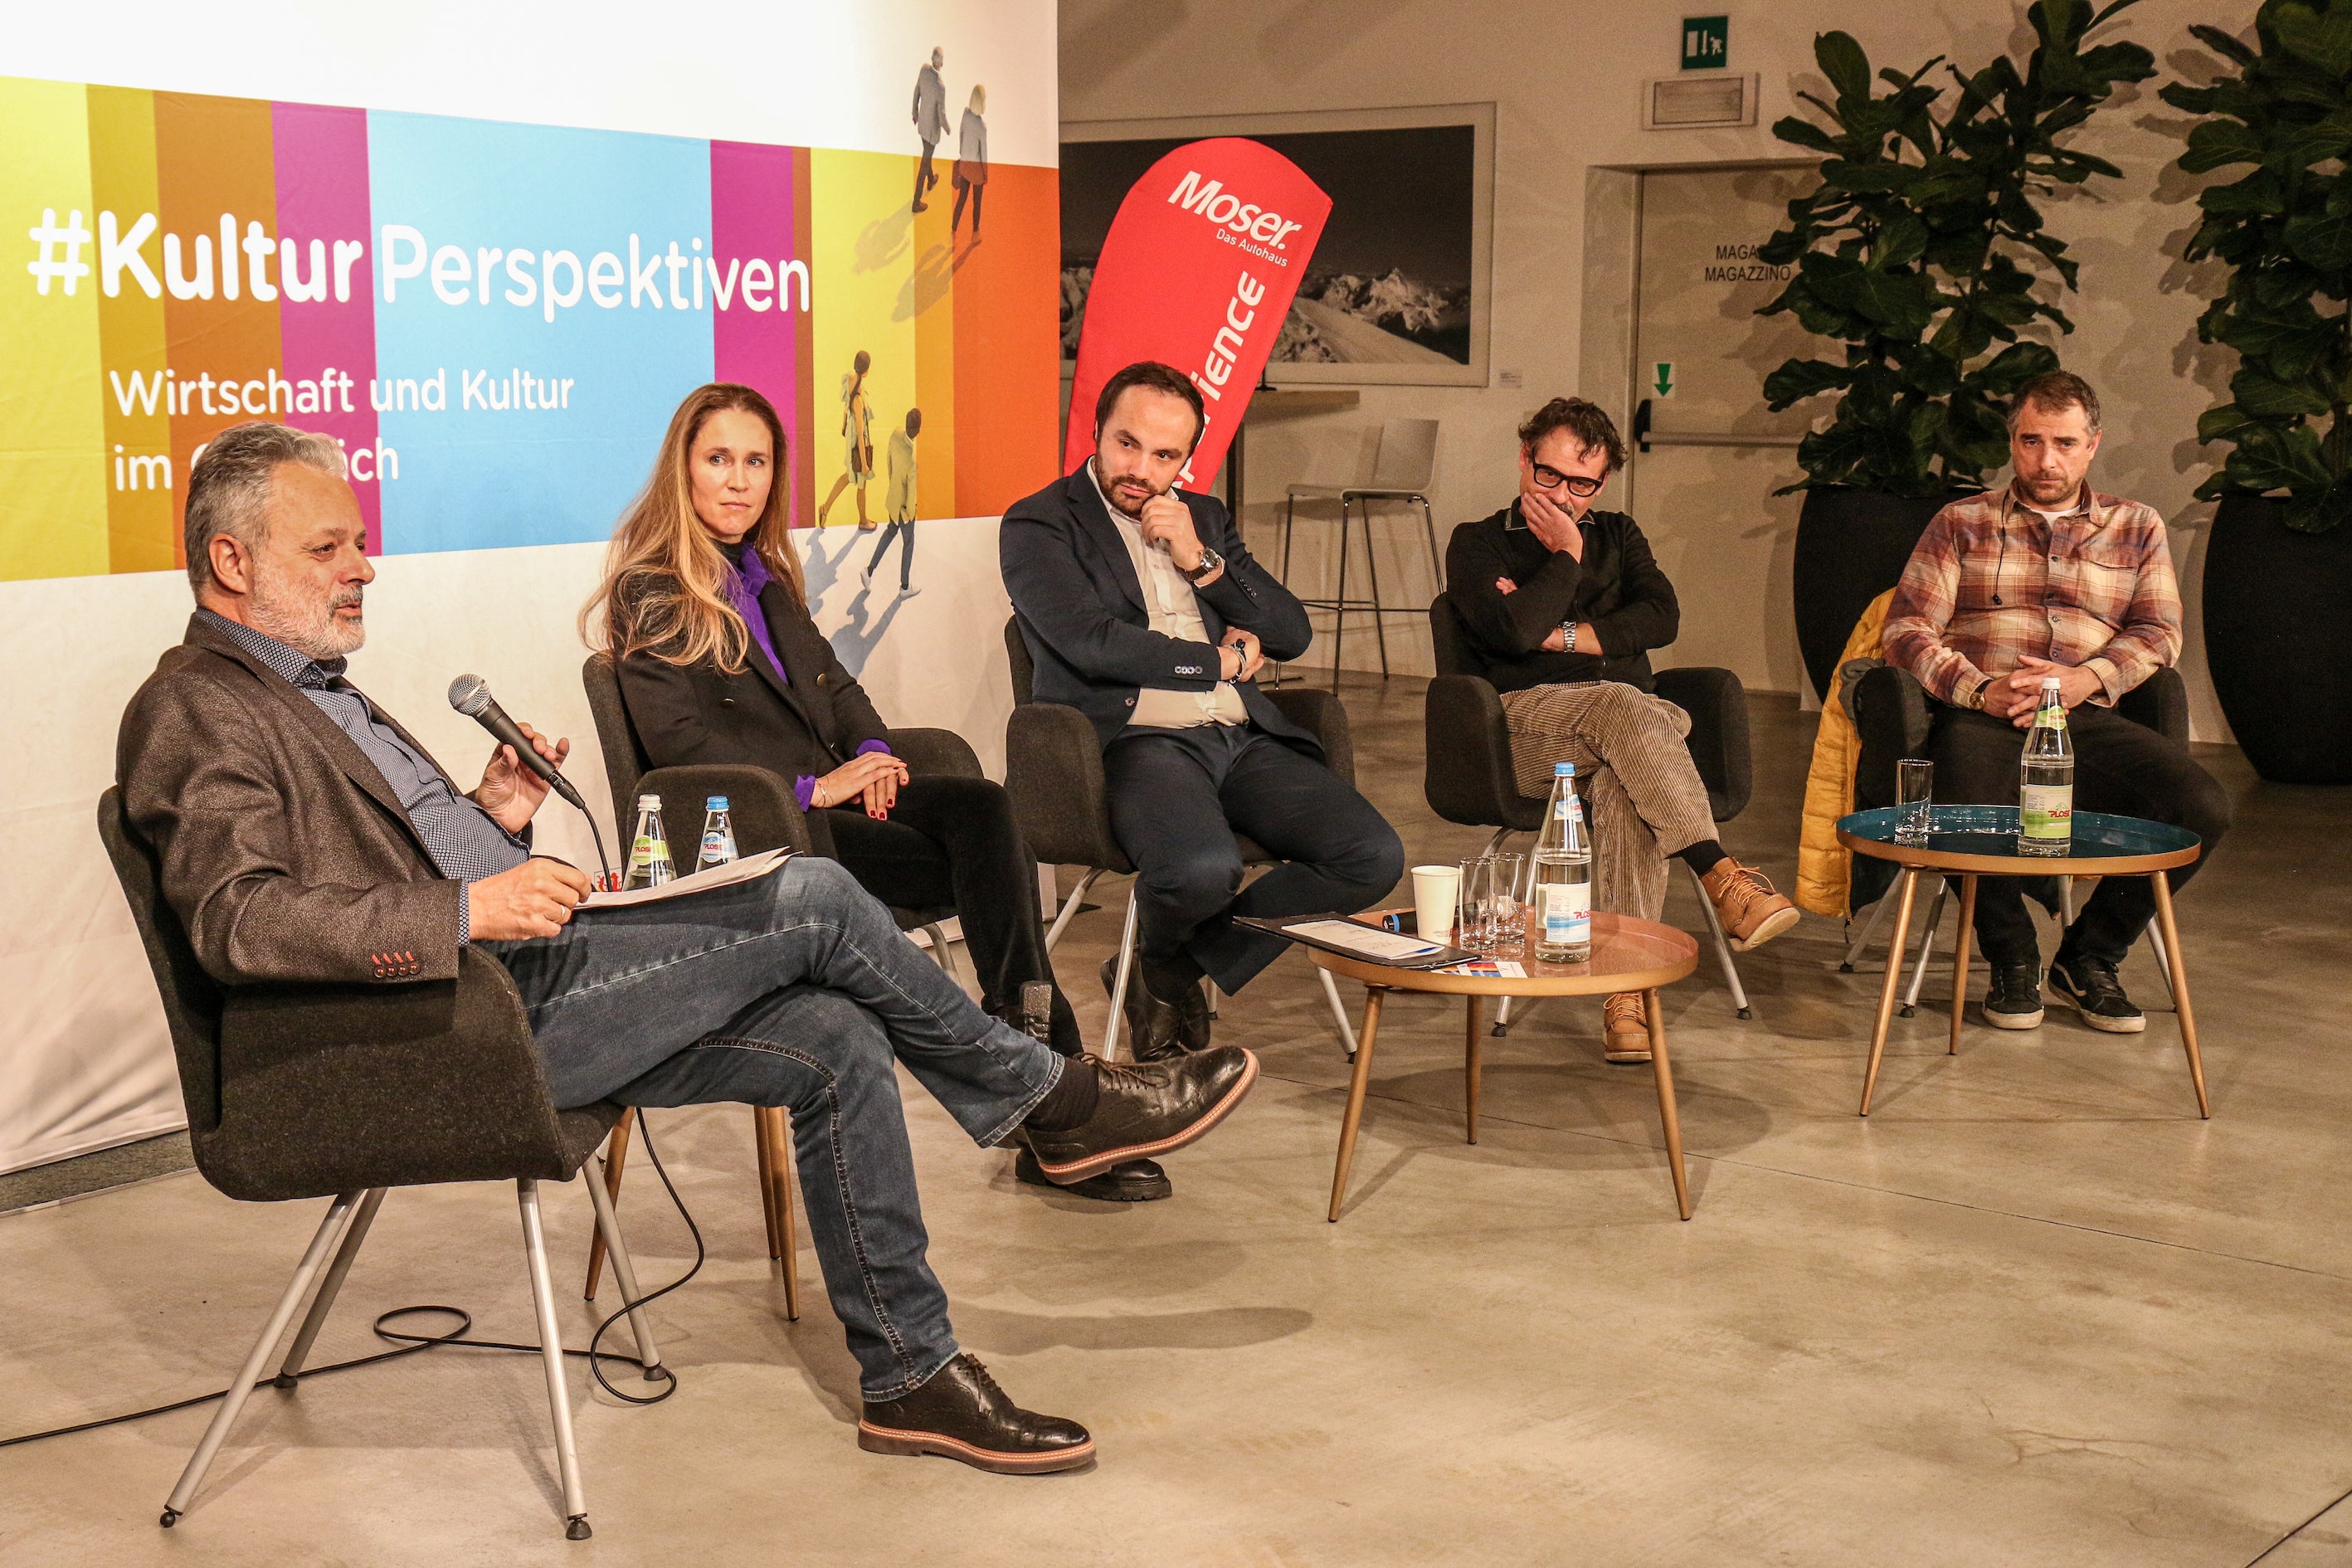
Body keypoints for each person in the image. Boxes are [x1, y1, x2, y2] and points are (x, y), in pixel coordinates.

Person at [119, 421, 1259, 1471]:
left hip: (509, 984)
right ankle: (1052, 1102)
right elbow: (240, 921)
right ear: (231, 563)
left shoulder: (314, 688)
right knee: (810, 894)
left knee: (835, 1033)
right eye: (328, 548)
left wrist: (492, 815)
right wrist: (468, 908)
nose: (363, 567)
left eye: (359, 543)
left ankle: (910, 1375)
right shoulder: (196, 706)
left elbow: (371, 862)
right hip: (445, 1032)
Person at [595, 385, 1169, 1202]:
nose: (739, 481)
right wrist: (815, 785)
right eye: (719, 459)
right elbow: (679, 748)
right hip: (765, 834)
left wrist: (872, 753)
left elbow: (835, 685)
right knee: (990, 874)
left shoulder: (764, 577)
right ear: (682, 470)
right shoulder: (653, 590)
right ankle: (1060, 1100)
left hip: (829, 812)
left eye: (756, 462)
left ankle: (1037, 1057)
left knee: (984, 809)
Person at [1001, 361, 1405, 1057]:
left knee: (1370, 856)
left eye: (1164, 456)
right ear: (1095, 431)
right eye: (1127, 444)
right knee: (1199, 870)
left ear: (1185, 458)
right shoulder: (1040, 522)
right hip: (1137, 740)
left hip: (1240, 737)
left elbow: (1290, 633)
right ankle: (1167, 972)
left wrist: (1199, 559)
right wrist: (1214, 662)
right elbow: (1091, 643)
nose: (1141, 470)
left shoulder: (1204, 518)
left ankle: (1163, 971)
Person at [1444, 397, 1799, 1064]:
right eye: (1548, 475)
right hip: (1524, 728)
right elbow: (1512, 632)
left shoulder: (1621, 533)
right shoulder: (1477, 541)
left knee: (1621, 777)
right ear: (1523, 459)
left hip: (1630, 731)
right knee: (1624, 703)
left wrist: (1561, 636)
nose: (1562, 495)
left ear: (1602, 482)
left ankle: (1624, 993)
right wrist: (1567, 557)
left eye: (1581, 485)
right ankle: (1720, 874)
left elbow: (1661, 617)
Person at [1881, 370, 2230, 1032]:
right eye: (2031, 441)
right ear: (2011, 441)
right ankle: (2011, 956)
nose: (2046, 461)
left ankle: (2089, 956)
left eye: (2064, 443)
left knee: (2199, 807)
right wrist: (1979, 690)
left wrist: (2085, 679)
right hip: (1982, 713)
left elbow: (2159, 632)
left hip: (2083, 714)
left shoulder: (2134, 525)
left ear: (2091, 444)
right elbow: (1904, 631)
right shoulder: (1961, 522)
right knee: (1958, 801)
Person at [863, 407, 921, 598]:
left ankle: (869, 571)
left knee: (890, 532)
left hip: (893, 500)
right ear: (918, 430)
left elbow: (888, 462)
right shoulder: (912, 461)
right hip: (904, 509)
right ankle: (904, 586)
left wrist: (894, 487)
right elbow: (911, 494)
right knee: (908, 543)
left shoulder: (895, 435)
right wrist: (911, 512)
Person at [816, 352, 874, 529]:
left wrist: (843, 424)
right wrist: (864, 463)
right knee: (860, 479)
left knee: (849, 476)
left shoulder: (850, 379)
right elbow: (860, 433)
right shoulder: (858, 398)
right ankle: (862, 521)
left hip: (851, 435)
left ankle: (826, 509)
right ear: (866, 370)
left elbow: (845, 407)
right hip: (856, 440)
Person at [911, 47, 947, 212]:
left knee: (927, 154)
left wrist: (915, 112)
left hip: (923, 123)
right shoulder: (940, 86)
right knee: (924, 163)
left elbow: (916, 91)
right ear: (941, 63)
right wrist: (947, 127)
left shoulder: (924, 70)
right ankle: (916, 201)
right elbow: (941, 112)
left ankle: (931, 179)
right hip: (932, 130)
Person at [952, 85, 987, 241]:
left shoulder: (965, 114)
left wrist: (962, 153)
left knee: (961, 199)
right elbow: (983, 153)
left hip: (965, 164)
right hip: (977, 170)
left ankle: (953, 230)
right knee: (976, 202)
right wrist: (985, 174)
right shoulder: (981, 126)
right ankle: (975, 233)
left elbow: (961, 135)